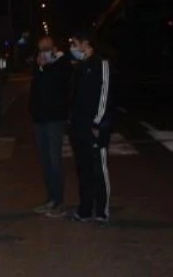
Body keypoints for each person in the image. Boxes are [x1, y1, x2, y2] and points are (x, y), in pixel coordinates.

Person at [67, 28, 113, 223]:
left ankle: (102, 210)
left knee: (98, 169)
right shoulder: (80, 67)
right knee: (83, 169)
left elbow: (105, 94)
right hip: (78, 127)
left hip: (94, 127)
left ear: (86, 44)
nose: (72, 48)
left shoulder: (101, 64)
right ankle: (85, 209)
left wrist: (97, 122)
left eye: (74, 44)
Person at [29, 34, 71, 217]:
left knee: (55, 161)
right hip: (40, 119)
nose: (43, 53)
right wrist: (40, 68)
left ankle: (58, 201)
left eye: (46, 49)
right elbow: (36, 90)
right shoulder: (40, 68)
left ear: (54, 49)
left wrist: (48, 67)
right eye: (40, 50)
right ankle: (51, 199)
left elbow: (59, 87)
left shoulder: (62, 65)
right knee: (46, 161)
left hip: (54, 119)